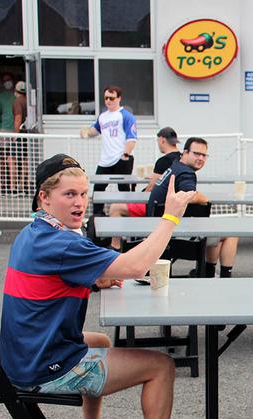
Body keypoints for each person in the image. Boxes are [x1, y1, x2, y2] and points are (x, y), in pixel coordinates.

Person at [0, 153, 210, 419]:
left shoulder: (33, 233)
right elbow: (134, 267)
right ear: (44, 197)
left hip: (22, 354)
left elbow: (54, 276)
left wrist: (95, 277)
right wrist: (171, 216)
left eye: (83, 194)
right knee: (161, 367)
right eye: (69, 195)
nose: (79, 202)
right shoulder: (62, 243)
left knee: (100, 341)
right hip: (45, 364)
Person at [147, 137, 239, 278]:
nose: (201, 158)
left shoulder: (174, 167)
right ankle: (224, 276)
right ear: (185, 153)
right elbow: (189, 195)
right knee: (231, 233)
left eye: (204, 155)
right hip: (175, 238)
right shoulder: (186, 173)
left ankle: (208, 272)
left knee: (216, 231)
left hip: (155, 230)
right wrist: (205, 200)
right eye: (196, 154)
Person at [107, 126, 182, 250]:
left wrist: (140, 193)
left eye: (158, 141)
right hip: (172, 207)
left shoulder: (163, 161)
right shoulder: (181, 159)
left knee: (115, 207)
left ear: (162, 140)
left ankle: (115, 246)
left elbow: (150, 189)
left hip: (157, 208)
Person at [81, 86, 137, 215]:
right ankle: (97, 217)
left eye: (111, 98)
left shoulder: (126, 116)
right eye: (106, 98)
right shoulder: (103, 116)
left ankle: (126, 214)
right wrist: (85, 132)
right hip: (106, 159)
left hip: (121, 157)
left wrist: (125, 155)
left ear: (119, 98)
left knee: (123, 188)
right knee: (98, 188)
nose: (108, 101)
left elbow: (132, 138)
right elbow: (94, 130)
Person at [0, 73, 17, 191]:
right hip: (4, 130)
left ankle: (15, 185)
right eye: (5, 80)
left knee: (15, 157)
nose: (7, 82)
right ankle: (2, 183)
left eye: (9, 79)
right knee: (2, 157)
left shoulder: (17, 95)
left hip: (16, 130)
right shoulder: (0, 96)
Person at [11, 81, 31, 192]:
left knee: (11, 159)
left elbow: (18, 118)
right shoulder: (29, 101)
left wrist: (15, 134)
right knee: (25, 159)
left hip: (20, 134)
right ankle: (23, 184)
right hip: (27, 133)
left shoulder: (17, 102)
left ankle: (13, 186)